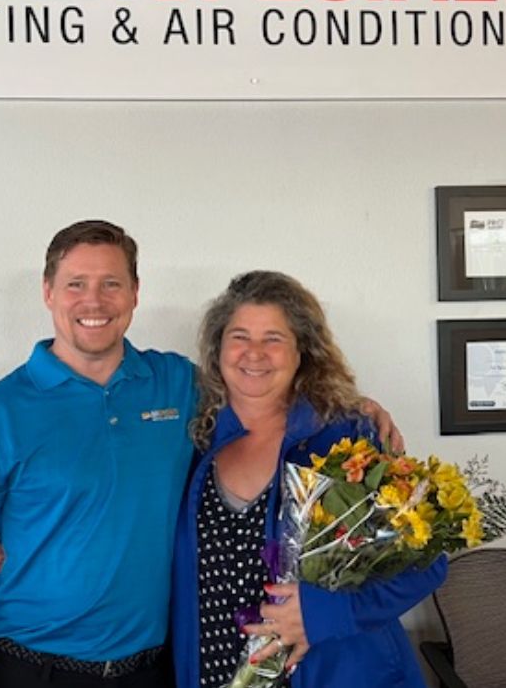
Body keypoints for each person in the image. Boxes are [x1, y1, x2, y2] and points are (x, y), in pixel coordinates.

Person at [0, 221, 401, 688]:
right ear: (48, 292)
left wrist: (353, 407)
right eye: (76, 284)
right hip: (31, 669)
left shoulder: (179, 385)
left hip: (154, 670)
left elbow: (259, 388)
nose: (94, 301)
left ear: (135, 293)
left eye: (111, 283)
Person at [169, 270, 446, 688]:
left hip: (337, 672)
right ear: (218, 348)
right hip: (215, 673)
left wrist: (323, 614)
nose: (254, 353)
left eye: (273, 339)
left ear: (303, 352)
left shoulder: (349, 437)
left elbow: (428, 564)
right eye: (239, 336)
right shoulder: (191, 440)